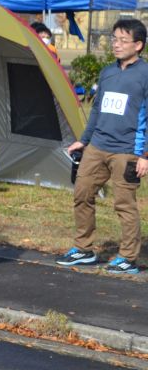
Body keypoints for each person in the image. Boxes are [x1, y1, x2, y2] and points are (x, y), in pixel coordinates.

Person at [58, 18, 148, 275]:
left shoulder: (145, 74)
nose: (116, 44)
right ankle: (83, 249)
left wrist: (144, 155)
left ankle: (128, 257)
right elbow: (97, 109)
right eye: (114, 39)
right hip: (97, 146)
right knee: (82, 193)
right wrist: (84, 140)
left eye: (123, 40)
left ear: (138, 45)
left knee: (124, 204)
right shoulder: (107, 72)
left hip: (128, 151)